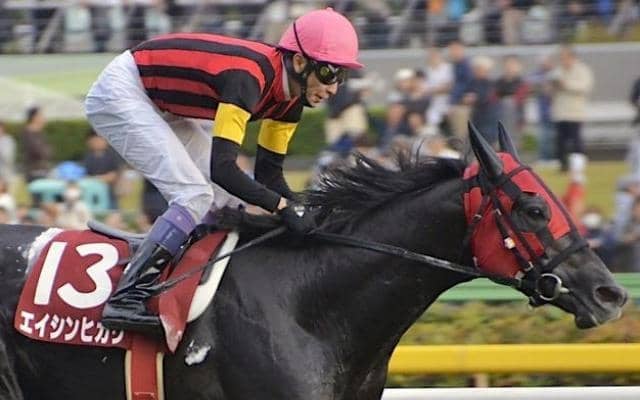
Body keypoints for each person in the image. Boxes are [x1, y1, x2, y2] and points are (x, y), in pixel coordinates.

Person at [84, 7, 363, 334]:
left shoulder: (291, 100)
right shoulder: (249, 78)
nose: (333, 88)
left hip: (162, 101)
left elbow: (269, 176)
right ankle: (126, 297)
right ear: (300, 62)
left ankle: (191, 276)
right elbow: (223, 169)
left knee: (232, 200)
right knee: (194, 195)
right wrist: (283, 207)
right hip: (123, 91)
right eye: (329, 73)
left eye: (341, 77)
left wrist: (304, 209)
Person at [549, 45, 593, 172]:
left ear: (572, 57)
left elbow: (585, 87)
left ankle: (578, 166)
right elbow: (551, 89)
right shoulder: (557, 71)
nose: (563, 60)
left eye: (565, 57)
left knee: (576, 141)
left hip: (575, 113)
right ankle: (563, 165)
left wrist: (566, 85)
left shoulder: (582, 70)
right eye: (562, 58)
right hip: (560, 112)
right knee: (560, 141)